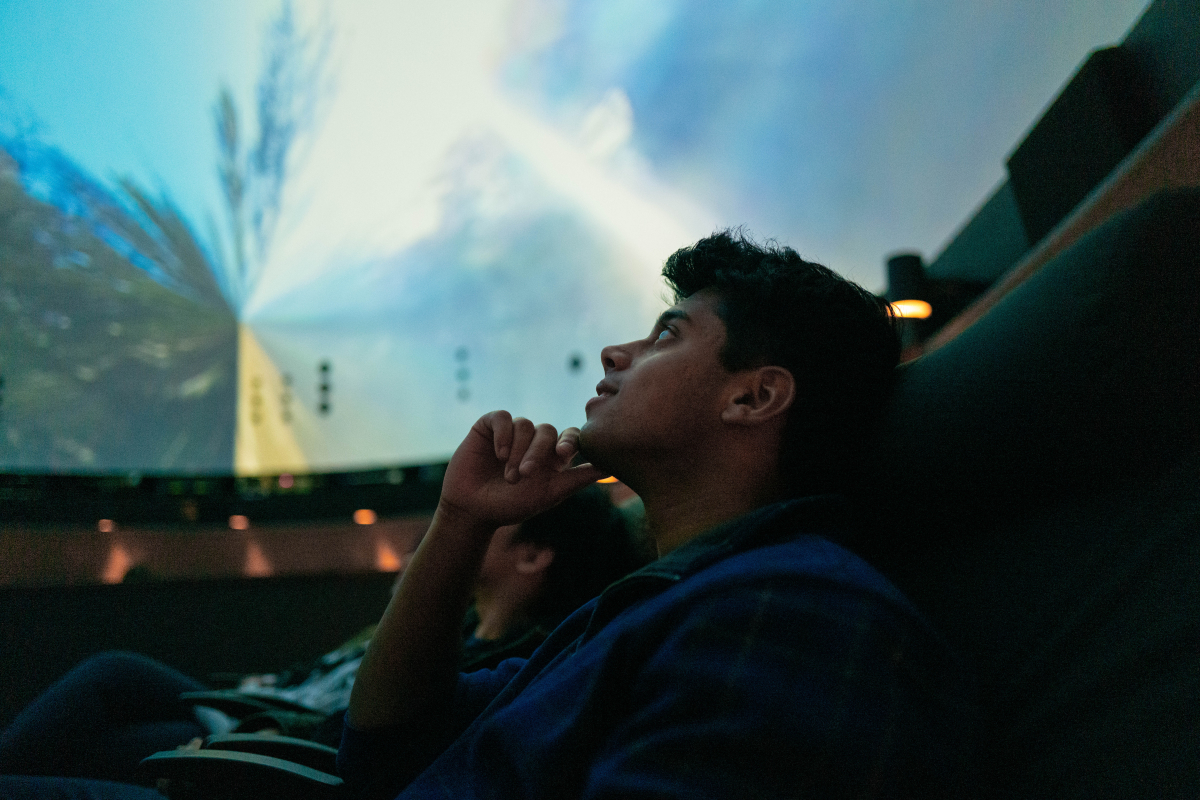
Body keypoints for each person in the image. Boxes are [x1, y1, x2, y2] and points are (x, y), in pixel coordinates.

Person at [341, 230, 975, 799]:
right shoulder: (652, 606)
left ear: (753, 396)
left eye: (666, 335)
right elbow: (388, 750)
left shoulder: (791, 612)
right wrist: (460, 520)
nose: (615, 353)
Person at [0, 490, 644, 797]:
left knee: (104, 698)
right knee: (104, 700)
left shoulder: (511, 661)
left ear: (533, 556)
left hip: (274, 747)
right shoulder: (474, 636)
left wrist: (246, 736)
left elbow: (370, 735)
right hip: (265, 721)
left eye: (494, 528)